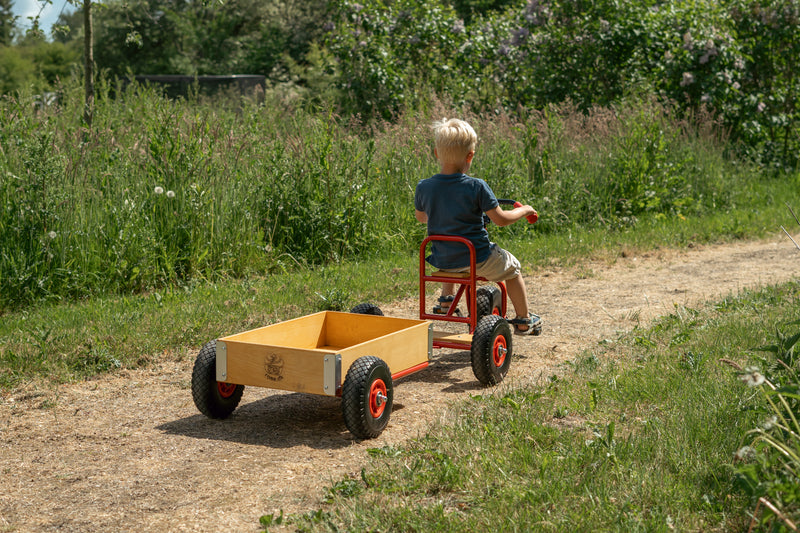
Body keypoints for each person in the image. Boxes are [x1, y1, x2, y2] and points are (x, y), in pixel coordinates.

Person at [414, 117, 542, 334]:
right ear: (470, 155)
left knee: (451, 245)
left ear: (436, 153)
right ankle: (523, 319)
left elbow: (421, 217)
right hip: (478, 259)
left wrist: (446, 215)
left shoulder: (424, 187)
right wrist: (525, 210)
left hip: (442, 258)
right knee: (513, 268)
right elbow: (501, 220)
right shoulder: (477, 186)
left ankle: (446, 301)